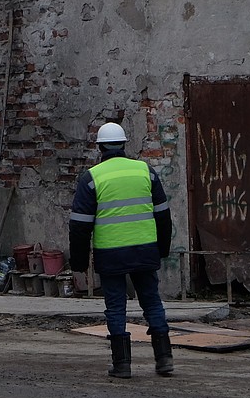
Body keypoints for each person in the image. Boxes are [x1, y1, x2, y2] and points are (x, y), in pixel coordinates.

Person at [69, 121, 174, 379]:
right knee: (152, 301)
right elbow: (163, 215)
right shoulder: (145, 171)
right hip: (145, 250)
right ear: (125, 144)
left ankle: (122, 365)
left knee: (116, 307)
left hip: (111, 253)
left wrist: (79, 262)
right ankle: (164, 359)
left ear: (100, 147)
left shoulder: (92, 178)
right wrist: (162, 249)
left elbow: (79, 226)